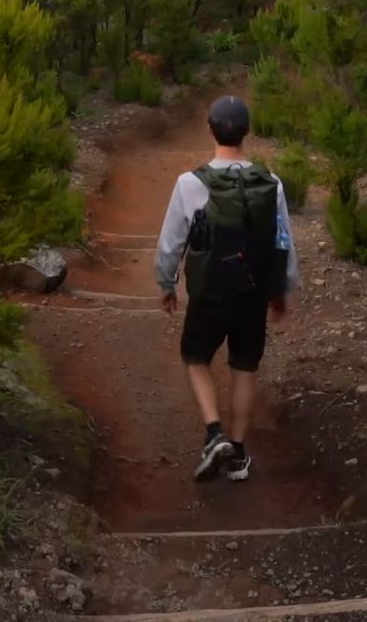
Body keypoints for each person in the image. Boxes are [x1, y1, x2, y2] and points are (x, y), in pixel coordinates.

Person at [153, 94, 298, 482]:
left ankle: (214, 432)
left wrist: (167, 284)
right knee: (244, 368)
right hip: (253, 292)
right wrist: (281, 290)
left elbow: (171, 243)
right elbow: (283, 240)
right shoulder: (272, 183)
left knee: (196, 358)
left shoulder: (189, 183)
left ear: (210, 130)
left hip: (210, 291)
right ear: (247, 133)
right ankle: (237, 453)